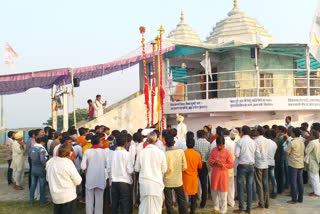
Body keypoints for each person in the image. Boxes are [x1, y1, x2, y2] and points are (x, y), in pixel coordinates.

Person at [135, 132, 167, 214]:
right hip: (156, 184)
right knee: (156, 207)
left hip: (145, 184)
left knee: (144, 207)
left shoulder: (141, 153)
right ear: (156, 140)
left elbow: (137, 169)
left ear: (147, 140)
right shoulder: (160, 153)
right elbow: (164, 169)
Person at [46, 144, 82, 214]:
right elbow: (78, 181)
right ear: (70, 154)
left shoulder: (51, 163)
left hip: (56, 196)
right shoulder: (68, 163)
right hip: (68, 197)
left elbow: (48, 178)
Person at [234, 126, 260, 214]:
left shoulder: (239, 141)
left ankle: (241, 209)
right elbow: (258, 155)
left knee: (240, 187)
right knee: (249, 187)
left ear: (242, 132)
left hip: (242, 165)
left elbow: (236, 154)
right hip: (251, 165)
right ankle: (249, 209)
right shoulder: (253, 142)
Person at [81, 134, 108, 214]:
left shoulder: (87, 151)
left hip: (90, 178)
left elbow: (83, 166)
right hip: (100, 178)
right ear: (99, 141)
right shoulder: (104, 152)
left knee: (89, 200)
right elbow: (107, 165)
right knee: (99, 200)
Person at [108, 134, 134, 214]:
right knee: (124, 203)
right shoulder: (126, 154)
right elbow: (130, 170)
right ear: (126, 143)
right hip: (124, 181)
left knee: (114, 203)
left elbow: (108, 168)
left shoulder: (111, 154)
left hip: (114, 181)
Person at [209, 136, 234, 214]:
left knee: (223, 193)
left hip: (223, 175)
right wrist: (214, 162)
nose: (219, 147)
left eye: (221, 145)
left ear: (224, 144)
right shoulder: (213, 150)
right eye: (218, 145)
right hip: (214, 174)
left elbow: (231, 165)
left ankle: (223, 209)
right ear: (216, 144)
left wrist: (222, 165)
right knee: (214, 193)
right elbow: (210, 159)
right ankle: (216, 207)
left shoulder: (227, 152)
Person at [163, 135, 188, 214]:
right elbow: (185, 167)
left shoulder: (164, 154)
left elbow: (163, 169)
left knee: (169, 202)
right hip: (178, 180)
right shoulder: (180, 152)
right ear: (174, 142)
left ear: (165, 144)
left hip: (167, 181)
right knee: (182, 200)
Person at [183, 137, 202, 214]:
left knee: (184, 196)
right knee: (193, 195)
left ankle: (184, 211)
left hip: (184, 177)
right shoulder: (197, 154)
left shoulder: (183, 153)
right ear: (194, 145)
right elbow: (200, 166)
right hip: (193, 177)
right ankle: (192, 211)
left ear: (186, 144)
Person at [285, 127, 305, 204]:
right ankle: (300, 198)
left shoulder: (291, 142)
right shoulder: (301, 142)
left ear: (293, 133)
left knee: (293, 182)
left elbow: (287, 153)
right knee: (300, 182)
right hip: (300, 164)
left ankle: (294, 199)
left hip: (293, 164)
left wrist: (287, 146)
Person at [194, 129, 211, 208]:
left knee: (194, 183)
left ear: (197, 136)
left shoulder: (195, 143)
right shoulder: (208, 143)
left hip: (195, 165)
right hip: (203, 164)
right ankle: (203, 202)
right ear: (204, 135)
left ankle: (194, 201)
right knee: (204, 184)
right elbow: (209, 155)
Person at [254, 126, 270, 209]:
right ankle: (267, 202)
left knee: (259, 184)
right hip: (265, 163)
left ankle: (261, 203)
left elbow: (257, 154)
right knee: (265, 183)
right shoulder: (267, 141)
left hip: (258, 164)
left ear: (258, 132)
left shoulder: (256, 141)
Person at [29, 137, 47, 204]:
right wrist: (46, 165)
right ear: (42, 142)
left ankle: (31, 200)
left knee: (33, 184)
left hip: (33, 169)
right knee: (42, 185)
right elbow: (42, 159)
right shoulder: (41, 149)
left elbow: (31, 158)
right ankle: (42, 201)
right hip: (40, 169)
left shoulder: (31, 149)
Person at [305, 130, 320, 197]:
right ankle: (316, 191)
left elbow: (307, 151)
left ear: (313, 136)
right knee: (315, 177)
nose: (309, 135)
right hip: (315, 161)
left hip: (312, 161)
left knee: (314, 178)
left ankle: (317, 193)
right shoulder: (317, 142)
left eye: (310, 134)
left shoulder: (312, 142)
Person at [265, 130, 278, 199]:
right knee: (273, 178)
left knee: (266, 179)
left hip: (266, 163)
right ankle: (275, 192)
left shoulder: (264, 142)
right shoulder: (274, 143)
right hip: (272, 162)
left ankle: (266, 193)